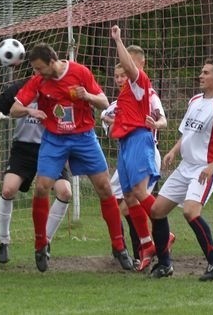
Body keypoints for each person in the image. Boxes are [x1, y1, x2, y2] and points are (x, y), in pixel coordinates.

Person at [9, 43, 133, 272]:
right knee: (41, 188)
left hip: (84, 137)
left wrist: (86, 95)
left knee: (105, 188)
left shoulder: (80, 72)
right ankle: (41, 244)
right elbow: (14, 109)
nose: (37, 73)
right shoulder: (38, 81)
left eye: (39, 68)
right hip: (54, 139)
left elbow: (104, 103)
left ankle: (119, 246)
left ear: (52, 61)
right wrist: (29, 110)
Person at [149, 59, 213, 281]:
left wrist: (212, 166)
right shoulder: (195, 100)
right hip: (185, 167)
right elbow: (187, 133)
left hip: (204, 169)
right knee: (157, 210)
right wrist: (172, 151)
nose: (200, 75)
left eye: (206, 72)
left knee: (190, 211)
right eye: (201, 71)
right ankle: (164, 265)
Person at [0, 79, 72, 264]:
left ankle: (45, 242)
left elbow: (73, 116)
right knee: (8, 190)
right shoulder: (19, 89)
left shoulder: (61, 90)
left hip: (51, 148)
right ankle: (4, 241)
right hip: (23, 149)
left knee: (65, 192)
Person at [101, 61, 174, 266]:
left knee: (135, 198)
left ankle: (157, 239)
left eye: (123, 76)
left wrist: (155, 124)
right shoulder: (119, 102)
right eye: (116, 77)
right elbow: (108, 120)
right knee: (123, 201)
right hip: (127, 151)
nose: (119, 80)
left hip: (145, 149)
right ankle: (144, 245)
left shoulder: (149, 94)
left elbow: (163, 121)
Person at [107, 25, 166, 272]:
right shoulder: (124, 93)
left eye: (129, 65)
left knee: (140, 192)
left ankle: (164, 235)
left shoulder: (140, 82)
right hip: (126, 143)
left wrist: (118, 40)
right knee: (129, 196)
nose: (124, 71)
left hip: (141, 140)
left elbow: (129, 67)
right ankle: (146, 243)